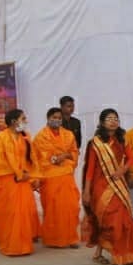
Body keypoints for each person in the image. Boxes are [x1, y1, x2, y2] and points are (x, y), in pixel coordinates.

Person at [80, 108, 133, 265]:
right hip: (100, 187)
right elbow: (90, 169)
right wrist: (87, 191)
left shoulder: (122, 139)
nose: (113, 121)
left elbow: (131, 158)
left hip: (118, 185)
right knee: (108, 221)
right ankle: (121, 255)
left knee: (124, 220)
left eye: (116, 118)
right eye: (109, 118)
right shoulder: (95, 143)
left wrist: (123, 170)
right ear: (102, 122)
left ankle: (128, 255)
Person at [0, 109, 39, 256]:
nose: (26, 121)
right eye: (23, 118)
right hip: (8, 180)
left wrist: (33, 177)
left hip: (24, 180)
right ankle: (9, 245)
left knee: (24, 213)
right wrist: (17, 173)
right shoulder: (1, 137)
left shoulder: (26, 137)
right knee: (9, 213)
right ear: (13, 121)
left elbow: (31, 159)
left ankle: (24, 245)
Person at [32, 107, 81, 249]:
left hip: (66, 174)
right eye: (54, 117)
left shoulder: (69, 135)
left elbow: (74, 152)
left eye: (59, 118)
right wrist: (54, 159)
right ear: (48, 118)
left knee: (71, 207)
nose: (57, 120)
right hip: (49, 176)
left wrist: (65, 156)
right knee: (53, 209)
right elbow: (38, 157)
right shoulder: (41, 136)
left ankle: (71, 238)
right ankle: (53, 239)